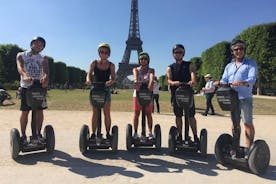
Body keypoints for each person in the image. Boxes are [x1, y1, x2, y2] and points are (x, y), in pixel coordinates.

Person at [214, 39, 257, 156]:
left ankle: (249, 149)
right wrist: (219, 82)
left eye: (241, 48)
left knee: (247, 123)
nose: (239, 51)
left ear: (244, 50)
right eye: (236, 49)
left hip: (244, 97)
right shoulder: (229, 66)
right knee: (235, 123)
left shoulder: (251, 63)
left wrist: (242, 82)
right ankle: (235, 146)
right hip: (231, 97)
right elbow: (224, 79)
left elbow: (252, 79)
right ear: (232, 51)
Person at [16, 36, 49, 143]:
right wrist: (25, 75)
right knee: (25, 111)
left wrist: (45, 77)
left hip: (39, 88)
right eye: (37, 43)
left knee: (40, 111)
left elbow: (46, 71)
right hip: (26, 87)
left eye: (41, 45)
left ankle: (38, 134)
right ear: (32, 43)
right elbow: (20, 67)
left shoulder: (43, 58)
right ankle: (23, 135)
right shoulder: (21, 55)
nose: (39, 46)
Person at [166, 44, 199, 144]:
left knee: (191, 116)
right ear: (173, 54)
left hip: (187, 93)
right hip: (176, 94)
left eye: (180, 52)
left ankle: (195, 136)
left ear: (183, 53)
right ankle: (180, 135)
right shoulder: (170, 67)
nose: (178, 54)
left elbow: (193, 74)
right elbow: (169, 80)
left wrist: (192, 81)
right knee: (178, 116)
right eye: (176, 52)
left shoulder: (189, 64)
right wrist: (173, 82)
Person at [86, 43, 116, 140]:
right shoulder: (94, 63)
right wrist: (88, 80)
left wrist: (110, 82)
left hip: (105, 89)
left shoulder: (111, 65)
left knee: (106, 112)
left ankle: (107, 133)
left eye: (106, 52)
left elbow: (113, 77)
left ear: (109, 54)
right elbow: (89, 73)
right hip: (95, 88)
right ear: (99, 53)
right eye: (102, 52)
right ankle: (93, 134)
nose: (104, 54)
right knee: (95, 112)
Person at [132, 52, 154, 139]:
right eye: (141, 59)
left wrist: (151, 82)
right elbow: (135, 77)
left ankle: (150, 132)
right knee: (136, 113)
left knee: (148, 113)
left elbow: (151, 78)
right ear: (139, 60)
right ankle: (135, 132)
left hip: (147, 93)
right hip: (137, 94)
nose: (143, 60)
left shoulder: (151, 70)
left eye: (145, 59)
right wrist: (136, 81)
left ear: (148, 60)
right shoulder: (136, 69)